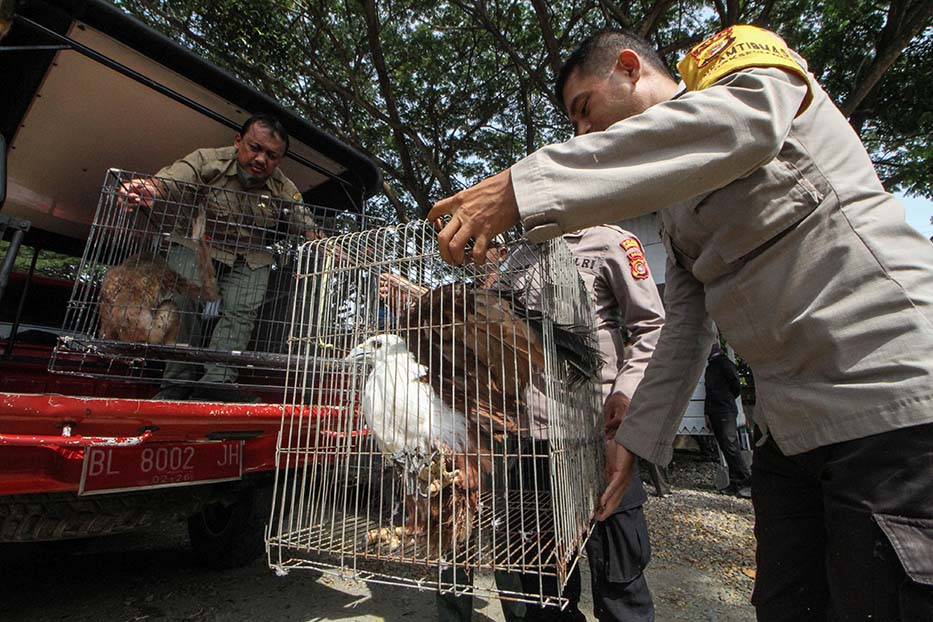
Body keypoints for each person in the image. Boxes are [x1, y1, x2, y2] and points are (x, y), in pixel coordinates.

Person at [428, 25, 933, 620]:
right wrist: (635, 443)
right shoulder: (674, 207)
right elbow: (684, 328)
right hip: (787, 431)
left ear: (628, 66)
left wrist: (526, 184)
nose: (584, 134)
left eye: (585, 110)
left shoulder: (736, 67)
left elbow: (743, 125)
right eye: (575, 127)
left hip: (891, 399)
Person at [121, 113, 316, 402]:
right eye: (255, 148)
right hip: (200, 244)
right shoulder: (208, 160)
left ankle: (215, 383)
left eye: (272, 156)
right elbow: (177, 176)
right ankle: (176, 383)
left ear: (280, 160)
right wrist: (149, 188)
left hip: (248, 256)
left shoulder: (283, 187)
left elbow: (305, 222)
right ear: (238, 142)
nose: (261, 159)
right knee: (182, 304)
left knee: (241, 311)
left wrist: (326, 244)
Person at [704, 343, 751, 498]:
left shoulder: (724, 363)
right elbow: (708, 392)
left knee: (731, 446)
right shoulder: (710, 367)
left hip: (725, 409)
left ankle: (745, 481)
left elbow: (736, 385)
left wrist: (725, 398)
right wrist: (707, 413)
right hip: (715, 410)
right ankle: (735, 482)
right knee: (726, 447)